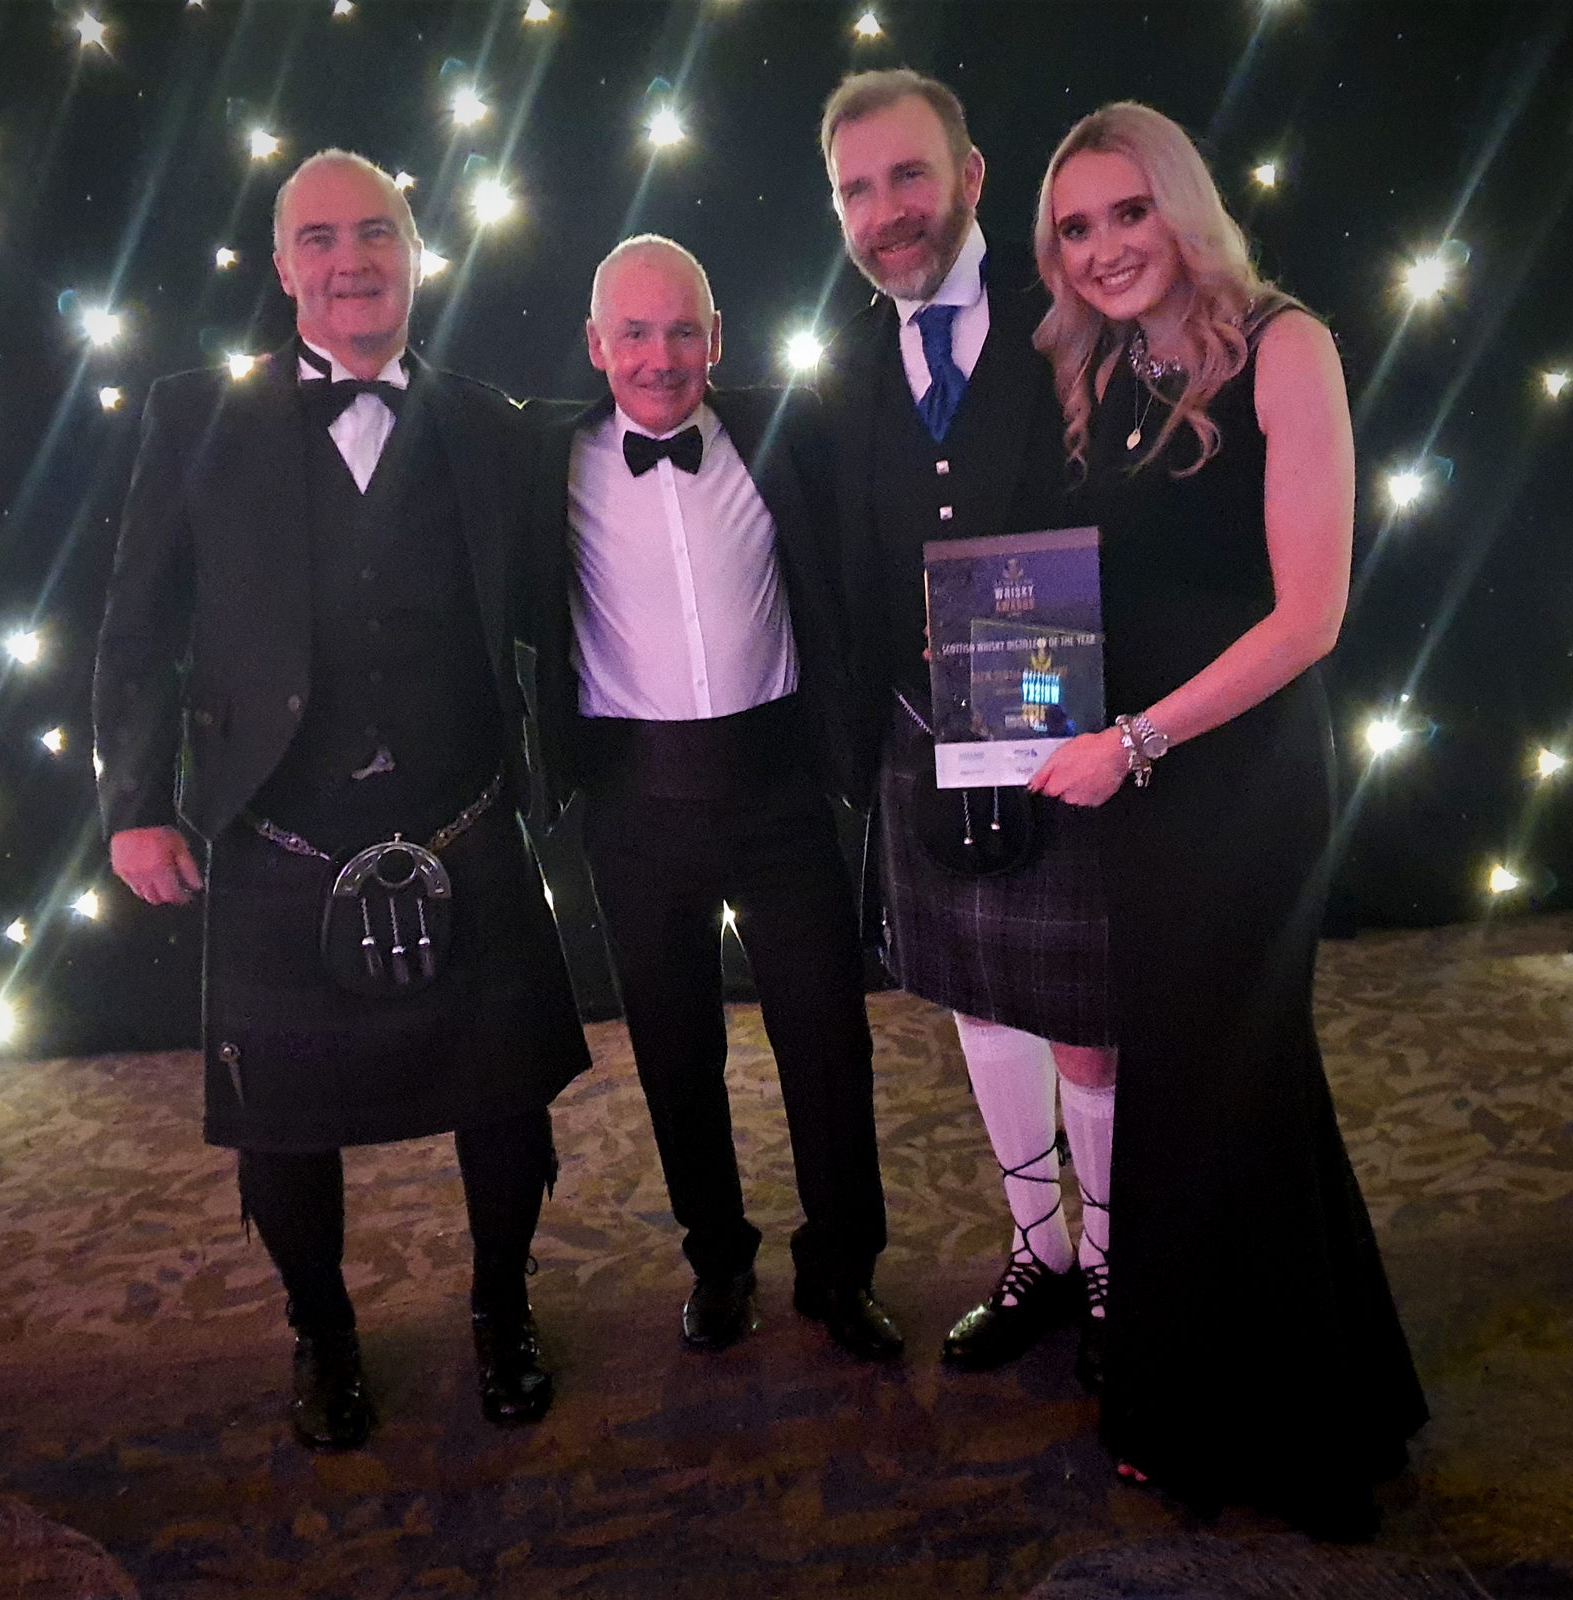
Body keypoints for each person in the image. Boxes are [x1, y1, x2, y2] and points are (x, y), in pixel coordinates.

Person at [93, 149, 591, 1451]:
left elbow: (561, 608)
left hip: (465, 814)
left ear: (417, 253)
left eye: (376, 233)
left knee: (503, 1099)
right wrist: (135, 801)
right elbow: (136, 627)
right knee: (285, 1129)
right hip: (279, 828)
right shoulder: (196, 415)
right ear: (282, 266)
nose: (350, 260)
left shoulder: (492, 425)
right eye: (319, 239)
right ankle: (322, 1332)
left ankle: (502, 1308)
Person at [1030, 101, 1428, 1534]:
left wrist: (1133, 741)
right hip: (1145, 782)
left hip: (1242, 779)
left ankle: (1292, 1445)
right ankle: (1324, 1400)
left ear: (1183, 206)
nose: (1104, 247)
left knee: (1227, 1087)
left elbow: (1311, 618)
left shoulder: (1287, 346)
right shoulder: (1107, 369)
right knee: (1222, 1086)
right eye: (1075, 229)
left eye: (1127, 212)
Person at [524, 236, 900, 1361]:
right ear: (595, 345)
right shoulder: (544, 458)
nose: (658, 355)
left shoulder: (787, 433)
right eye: (633, 332)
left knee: (830, 1044)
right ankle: (718, 1259)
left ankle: (841, 1269)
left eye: (682, 329)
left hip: (777, 786)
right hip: (633, 804)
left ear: (718, 340)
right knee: (673, 1051)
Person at [820, 70, 1116, 1383]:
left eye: (908, 176)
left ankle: (1114, 1264)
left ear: (973, 176)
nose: (887, 212)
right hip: (915, 734)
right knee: (979, 1011)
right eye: (857, 188)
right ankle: (1039, 1250)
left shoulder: (1076, 323)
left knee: (1083, 1021)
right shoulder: (838, 360)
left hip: (1064, 729)